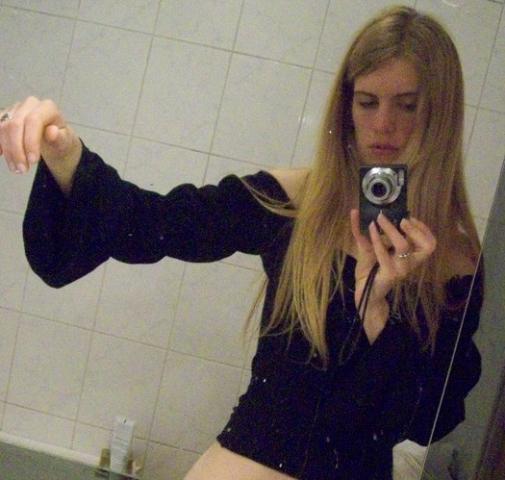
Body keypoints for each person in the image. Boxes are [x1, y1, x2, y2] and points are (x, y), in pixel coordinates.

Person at [0, 5, 484, 480]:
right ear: (346, 107)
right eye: (367, 101)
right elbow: (153, 223)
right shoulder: (293, 203)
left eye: (407, 105)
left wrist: (379, 316)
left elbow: (428, 423)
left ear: (439, 114)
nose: (382, 125)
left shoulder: (454, 261)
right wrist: (66, 153)